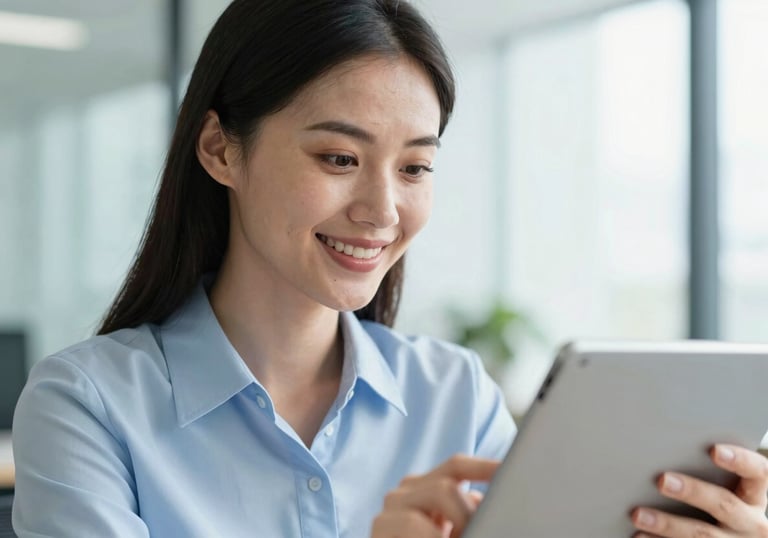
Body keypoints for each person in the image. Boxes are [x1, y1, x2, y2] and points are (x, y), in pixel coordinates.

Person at [10, 1, 768, 537]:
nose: (381, 209)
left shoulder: (456, 396)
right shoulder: (88, 406)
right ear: (220, 150)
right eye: (339, 158)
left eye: (414, 167)